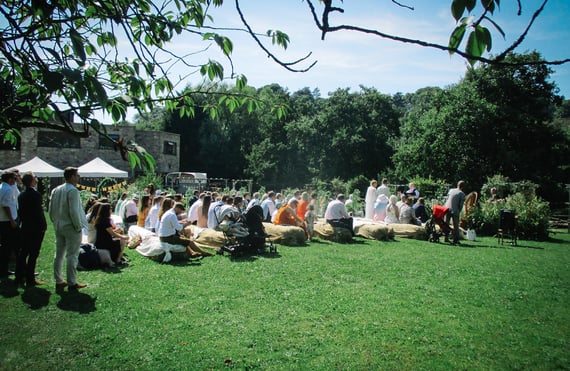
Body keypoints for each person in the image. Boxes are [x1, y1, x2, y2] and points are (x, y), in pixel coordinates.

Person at [49, 167, 88, 291]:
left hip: (59, 225)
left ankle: (59, 280)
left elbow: (50, 210)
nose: (78, 177)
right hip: (70, 226)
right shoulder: (73, 191)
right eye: (77, 175)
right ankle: (72, 282)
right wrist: (78, 226)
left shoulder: (56, 190)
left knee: (59, 253)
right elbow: (74, 211)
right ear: (71, 176)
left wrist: (55, 221)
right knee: (72, 254)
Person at [16, 172, 47, 286]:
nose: (37, 180)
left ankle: (19, 276)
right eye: (35, 178)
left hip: (25, 226)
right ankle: (30, 278)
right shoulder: (36, 195)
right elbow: (38, 213)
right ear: (31, 181)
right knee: (33, 253)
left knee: (23, 252)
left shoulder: (21, 195)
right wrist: (43, 225)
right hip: (36, 228)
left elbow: (20, 212)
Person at [0, 171, 19, 279]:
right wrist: (11, 220)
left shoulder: (2, 187)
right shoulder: (7, 189)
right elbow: (6, 205)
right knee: (11, 245)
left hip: (3, 220)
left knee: (5, 246)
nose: (15, 180)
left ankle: (4, 269)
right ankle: (7, 269)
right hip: (7, 221)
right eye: (14, 178)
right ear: (10, 179)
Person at [445, 180, 466, 244]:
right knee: (456, 225)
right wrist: (458, 211)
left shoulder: (451, 190)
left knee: (446, 224)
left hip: (447, 209)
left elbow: (447, 199)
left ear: (457, 185)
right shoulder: (462, 194)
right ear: (463, 187)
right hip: (455, 210)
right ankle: (456, 239)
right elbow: (461, 205)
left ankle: (446, 237)